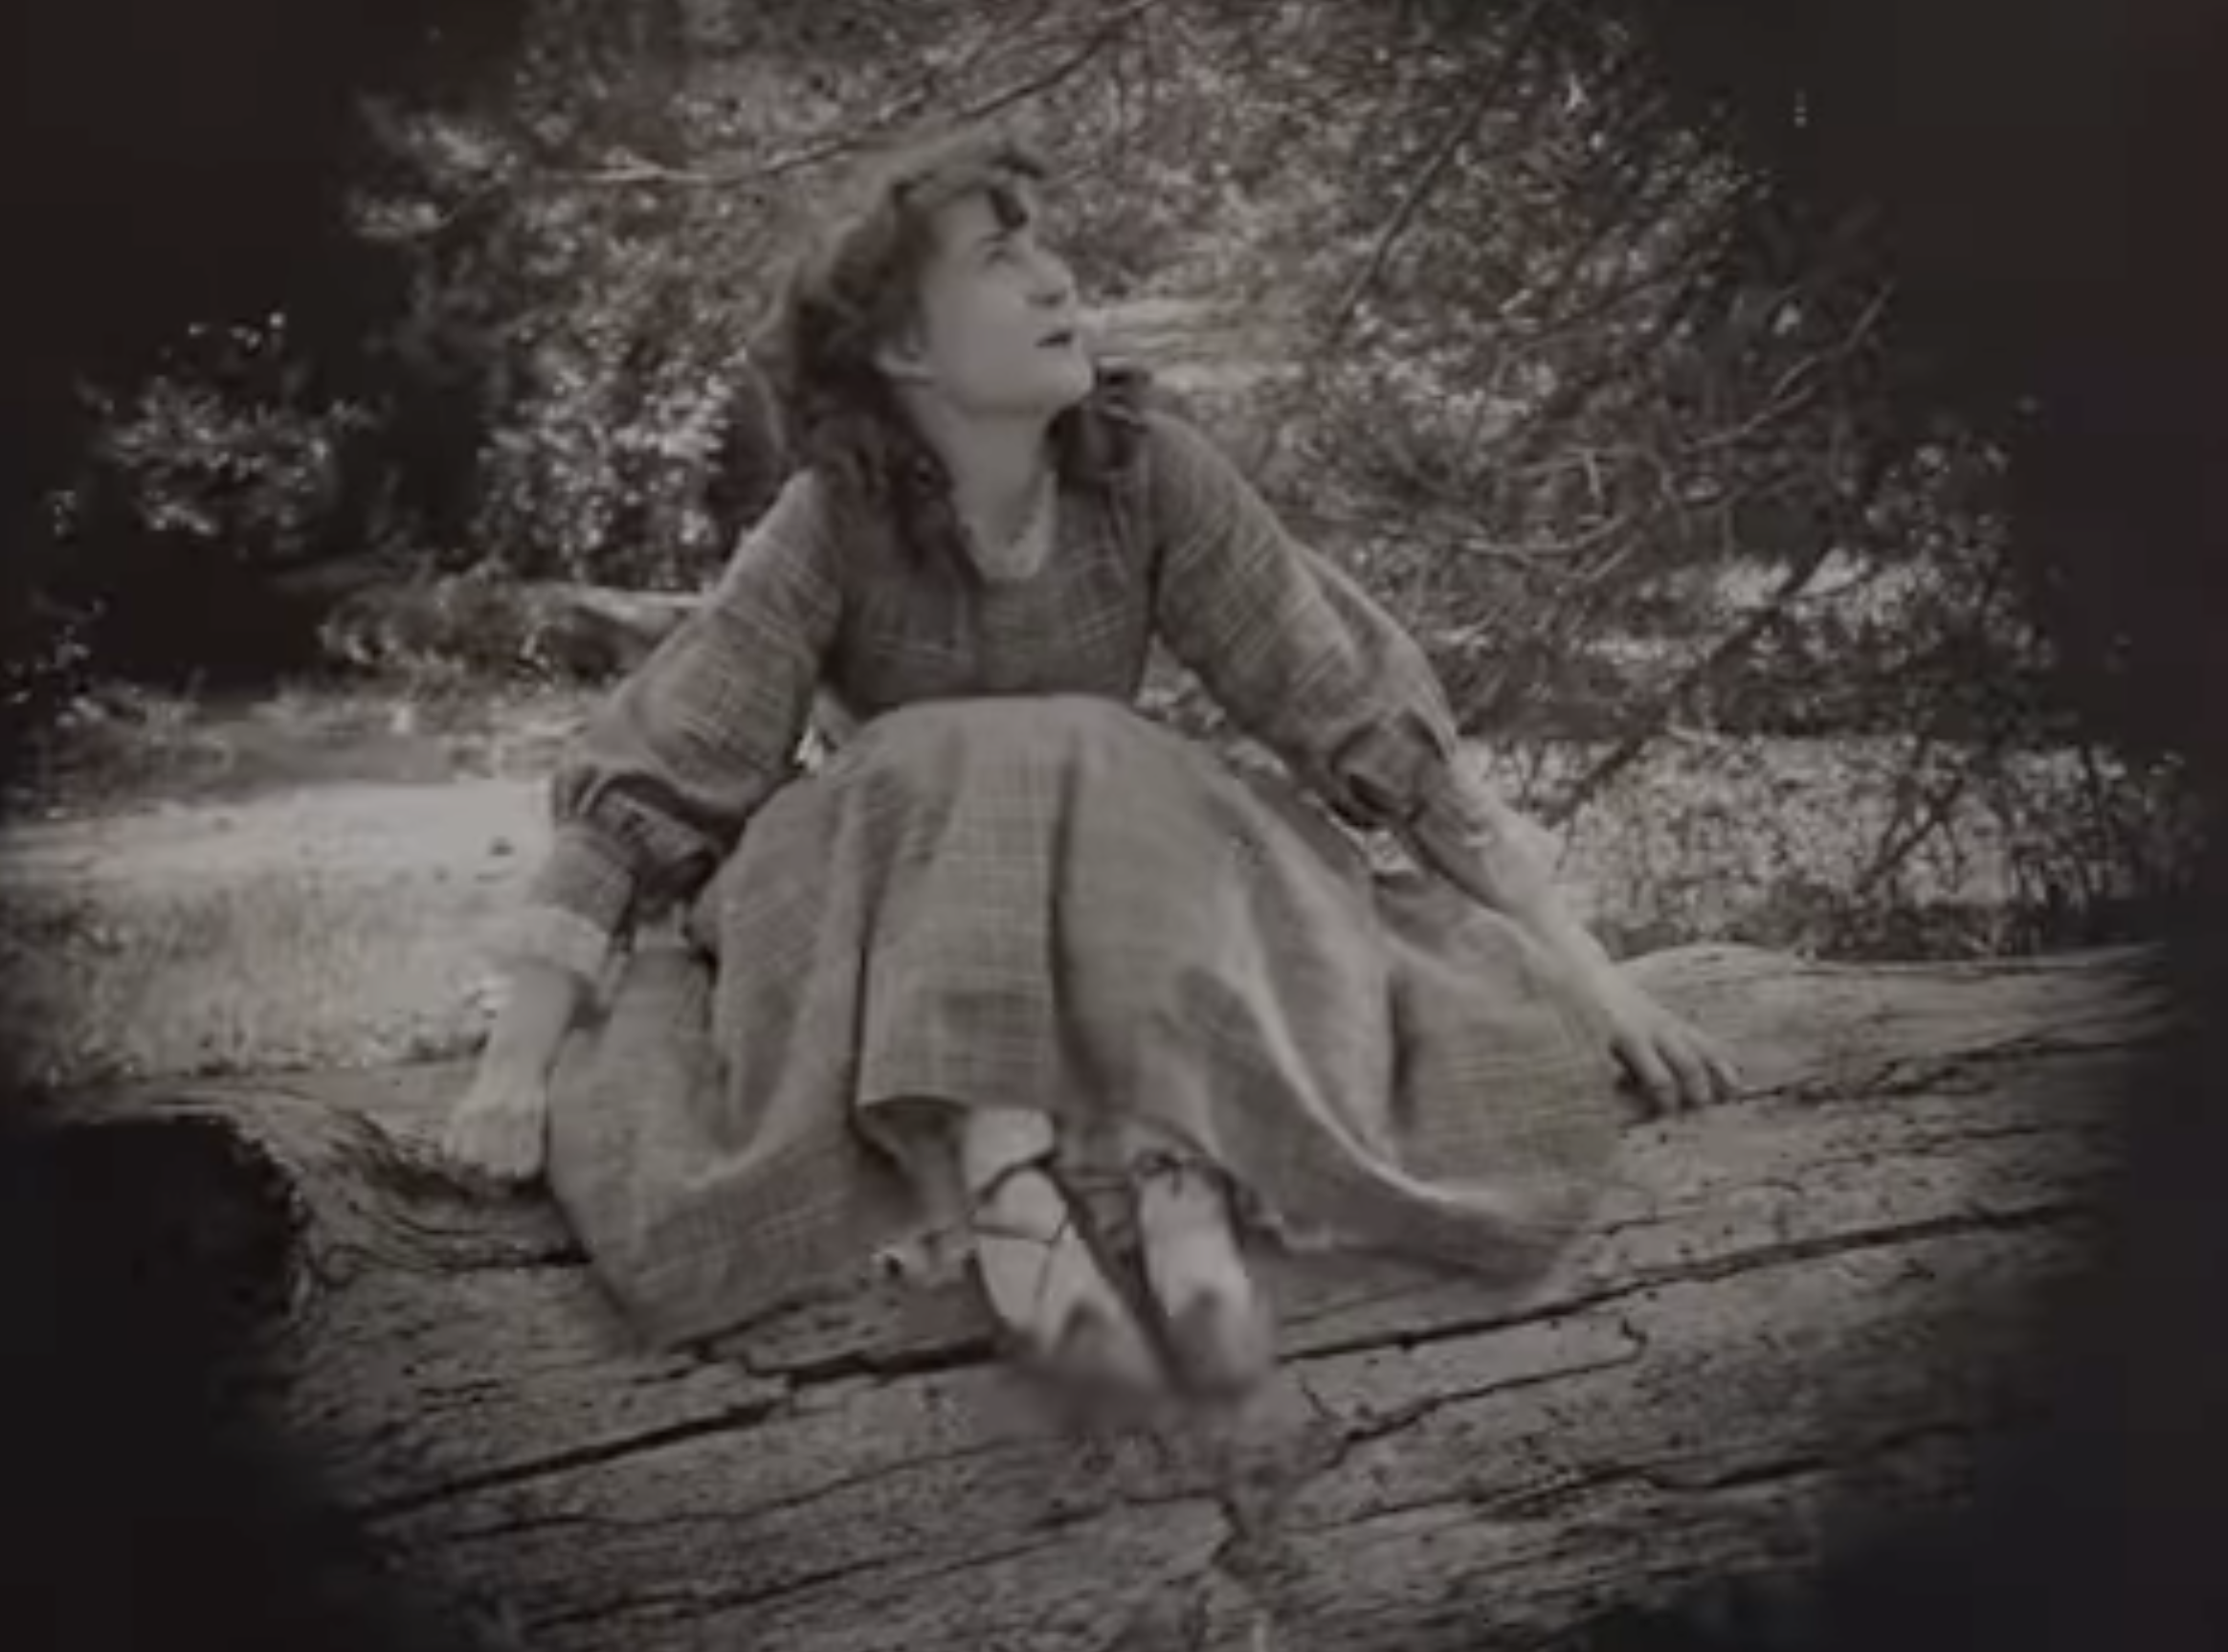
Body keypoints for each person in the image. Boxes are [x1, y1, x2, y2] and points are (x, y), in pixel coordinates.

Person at [440, 127, 1738, 1406]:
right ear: (906, 349)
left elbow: (1348, 703)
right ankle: (1000, 1178)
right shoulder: (830, 520)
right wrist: (514, 1063)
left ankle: (1175, 1176)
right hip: (893, 920)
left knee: (1109, 753)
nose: (1056, 278)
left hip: (1110, 919)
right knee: (965, 744)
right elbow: (664, 770)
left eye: (1044, 247)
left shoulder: (1149, 474)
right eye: (1001, 259)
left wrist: (1590, 973)